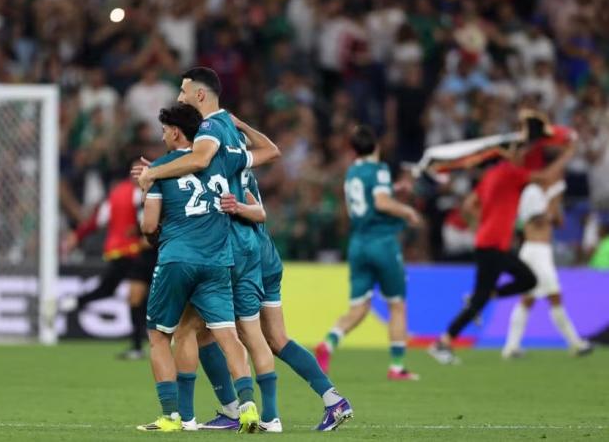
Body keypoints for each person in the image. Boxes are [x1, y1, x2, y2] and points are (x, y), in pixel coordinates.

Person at [135, 67, 282, 431]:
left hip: (178, 258)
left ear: (175, 132)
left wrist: (151, 177)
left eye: (183, 91)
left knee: (169, 334)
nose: (180, 96)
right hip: (220, 259)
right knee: (229, 335)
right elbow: (269, 155)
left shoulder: (171, 164)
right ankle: (248, 407)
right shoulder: (225, 161)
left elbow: (149, 225)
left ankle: (177, 416)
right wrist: (242, 126)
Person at [196, 165, 354, 432]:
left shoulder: (219, 167)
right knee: (277, 339)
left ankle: (244, 413)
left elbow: (248, 209)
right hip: (267, 256)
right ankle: (333, 399)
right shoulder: (241, 165)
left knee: (212, 332)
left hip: (245, 258)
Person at [429, 139, 576, 365]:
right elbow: (546, 177)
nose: (523, 155)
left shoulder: (491, 175)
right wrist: (567, 154)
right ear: (509, 154)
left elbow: (469, 204)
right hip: (493, 246)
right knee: (510, 287)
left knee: (527, 280)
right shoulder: (509, 173)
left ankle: (480, 301)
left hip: (491, 243)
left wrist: (481, 225)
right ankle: (443, 342)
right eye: (519, 151)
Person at [314, 126, 422, 381]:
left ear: (354, 150)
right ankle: (397, 367)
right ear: (377, 146)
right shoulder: (379, 169)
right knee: (397, 305)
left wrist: (395, 189)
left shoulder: (352, 172)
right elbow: (381, 202)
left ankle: (328, 343)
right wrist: (407, 211)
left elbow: (372, 195)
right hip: (382, 243)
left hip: (358, 244)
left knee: (359, 308)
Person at [60, 164, 155, 359]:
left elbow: (97, 220)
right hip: (138, 253)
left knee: (125, 293)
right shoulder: (136, 194)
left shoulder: (121, 194)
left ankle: (76, 301)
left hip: (145, 251)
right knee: (135, 296)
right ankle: (138, 346)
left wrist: (77, 236)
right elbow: (99, 220)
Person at [502, 179, 592, 358]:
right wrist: (552, 201)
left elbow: (559, 222)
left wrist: (555, 202)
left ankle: (511, 347)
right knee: (554, 296)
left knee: (528, 300)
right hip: (535, 250)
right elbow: (536, 220)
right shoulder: (532, 191)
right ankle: (576, 343)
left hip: (542, 251)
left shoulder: (546, 196)